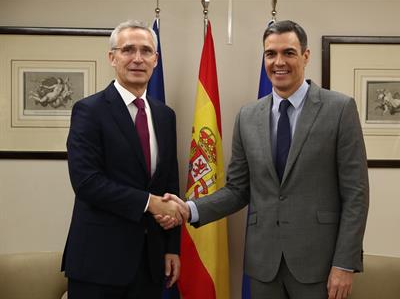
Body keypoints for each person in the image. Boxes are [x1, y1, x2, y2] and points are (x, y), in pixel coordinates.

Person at [157, 20, 369, 299]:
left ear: (305, 56)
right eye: (271, 54)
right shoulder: (248, 116)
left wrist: (345, 263)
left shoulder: (339, 109)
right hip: (263, 267)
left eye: (288, 53)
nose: (278, 62)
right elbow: (237, 190)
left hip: (319, 266)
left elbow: (356, 194)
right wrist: (189, 208)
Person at [62, 20, 186, 299]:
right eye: (128, 50)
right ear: (112, 57)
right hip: (98, 263)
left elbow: (169, 183)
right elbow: (87, 183)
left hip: (151, 263)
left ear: (156, 59)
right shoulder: (88, 111)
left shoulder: (165, 115)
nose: (138, 59)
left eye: (146, 51)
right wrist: (150, 203)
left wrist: (171, 247)